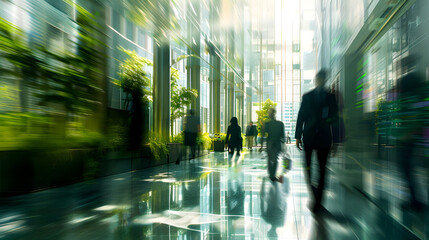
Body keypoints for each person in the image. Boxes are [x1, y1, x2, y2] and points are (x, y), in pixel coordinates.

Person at [295, 69, 339, 213]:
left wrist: (336, 141)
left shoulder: (331, 98)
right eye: (318, 78)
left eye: (322, 78)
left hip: (325, 139)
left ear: (325, 80)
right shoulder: (307, 97)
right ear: (316, 80)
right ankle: (314, 194)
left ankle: (318, 202)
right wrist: (297, 136)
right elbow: (301, 117)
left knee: (322, 170)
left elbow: (336, 120)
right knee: (307, 168)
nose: (320, 80)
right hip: (308, 137)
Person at [394, 55, 426, 210]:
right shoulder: (416, 79)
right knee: (407, 166)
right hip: (411, 130)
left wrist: (409, 130)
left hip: (409, 132)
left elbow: (411, 107)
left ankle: (414, 201)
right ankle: (414, 199)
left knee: (404, 165)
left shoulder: (407, 81)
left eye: (400, 65)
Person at [262, 108, 285, 182]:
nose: (269, 114)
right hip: (277, 144)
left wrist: (262, 146)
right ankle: (273, 175)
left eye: (269, 113)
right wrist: (284, 146)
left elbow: (263, 135)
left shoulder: (267, 124)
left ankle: (271, 175)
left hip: (270, 144)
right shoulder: (280, 124)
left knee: (270, 159)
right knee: (275, 159)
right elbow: (283, 137)